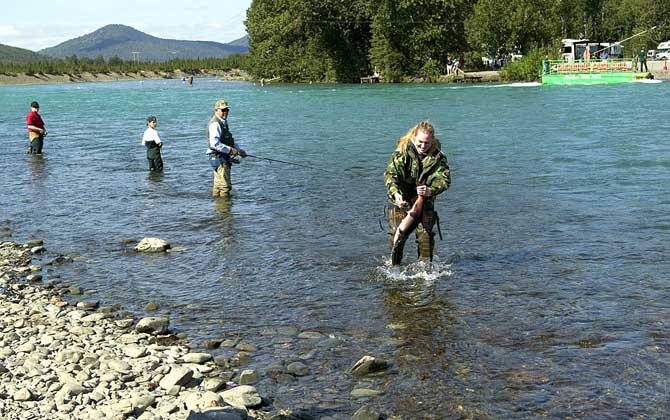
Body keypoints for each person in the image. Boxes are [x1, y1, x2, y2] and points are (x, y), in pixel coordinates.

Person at [384, 121, 451, 265]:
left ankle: (425, 271)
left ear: (432, 140)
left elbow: (445, 181)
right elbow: (390, 175)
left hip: (424, 200)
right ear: (414, 137)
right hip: (400, 199)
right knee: (397, 235)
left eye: (427, 143)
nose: (423, 146)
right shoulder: (401, 152)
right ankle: (394, 268)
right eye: (420, 142)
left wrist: (430, 190)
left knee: (425, 236)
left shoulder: (438, 157)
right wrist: (396, 194)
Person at [207, 99, 247, 197]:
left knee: (218, 185)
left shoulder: (223, 122)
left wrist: (239, 150)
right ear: (216, 110)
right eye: (223, 110)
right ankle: (225, 210)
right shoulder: (215, 124)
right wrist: (231, 150)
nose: (225, 112)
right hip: (218, 157)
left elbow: (229, 140)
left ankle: (218, 209)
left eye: (227, 110)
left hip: (220, 157)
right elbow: (214, 144)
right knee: (225, 186)